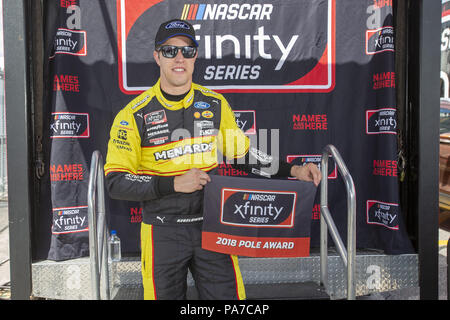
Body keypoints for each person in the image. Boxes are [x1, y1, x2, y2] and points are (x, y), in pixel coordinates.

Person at [104, 19, 322, 300]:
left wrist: (294, 169)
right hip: (162, 230)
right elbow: (116, 181)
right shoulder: (133, 115)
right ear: (157, 56)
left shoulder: (215, 104)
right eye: (170, 51)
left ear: (195, 56)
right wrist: (172, 183)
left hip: (213, 226)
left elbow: (243, 155)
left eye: (187, 50)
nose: (179, 58)